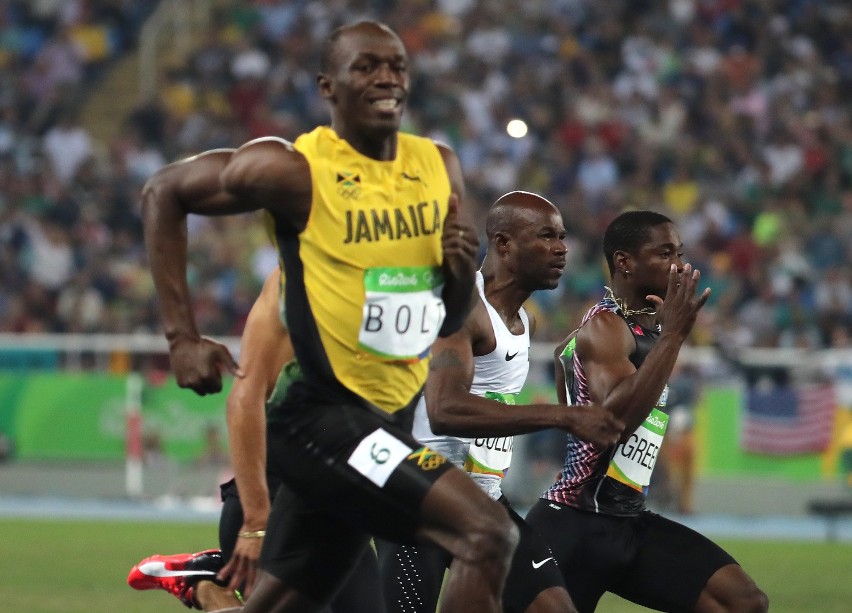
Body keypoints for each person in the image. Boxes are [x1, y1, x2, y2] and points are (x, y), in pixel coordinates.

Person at [142, 20, 519, 613]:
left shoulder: (437, 167)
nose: (386, 76)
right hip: (318, 419)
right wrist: (181, 337)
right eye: (365, 66)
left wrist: (454, 273)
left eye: (395, 64)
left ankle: (208, 593)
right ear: (328, 86)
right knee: (488, 531)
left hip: (385, 418)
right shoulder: (294, 169)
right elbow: (164, 191)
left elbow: (441, 317)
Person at [376, 191, 623, 613]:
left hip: (483, 498)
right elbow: (445, 410)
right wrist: (562, 417)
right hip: (421, 501)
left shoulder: (522, 319)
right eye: (547, 236)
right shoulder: (463, 306)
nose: (562, 249)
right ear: (504, 244)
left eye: (562, 237)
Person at [525, 210, 769, 612]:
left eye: (680, 252)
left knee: (742, 602)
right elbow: (613, 424)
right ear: (625, 262)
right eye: (665, 253)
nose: (680, 265)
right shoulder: (605, 327)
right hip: (574, 523)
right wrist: (674, 336)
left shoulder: (646, 332)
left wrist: (666, 335)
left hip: (628, 522)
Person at [127, 269, 384, 612]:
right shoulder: (295, 281)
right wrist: (255, 523)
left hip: (342, 490)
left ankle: (204, 585)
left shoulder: (403, 275)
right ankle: (205, 586)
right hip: (280, 490)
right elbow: (244, 401)